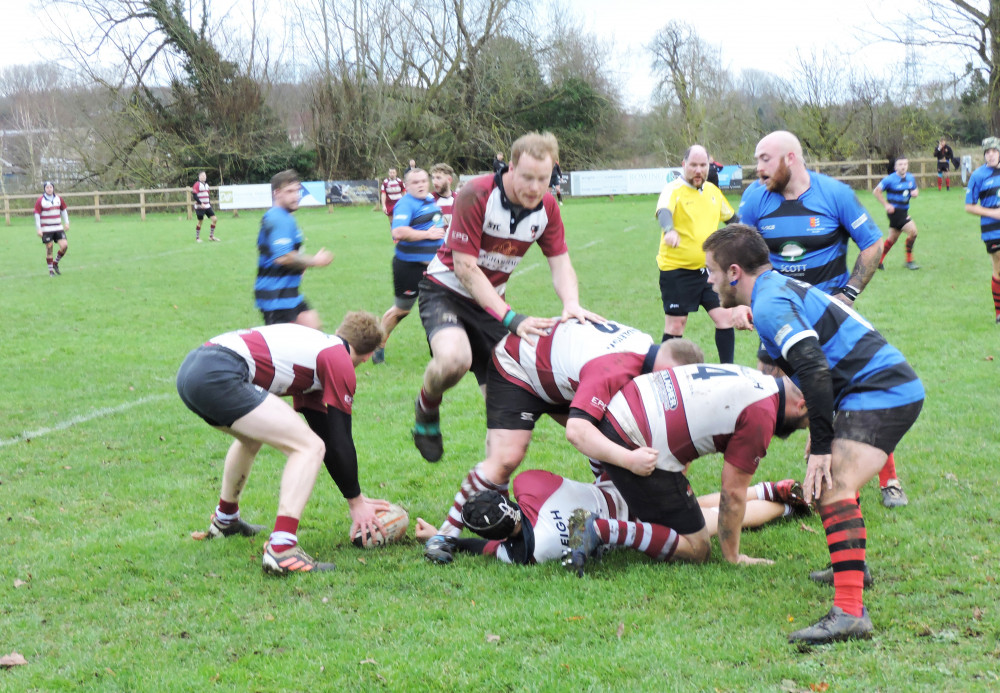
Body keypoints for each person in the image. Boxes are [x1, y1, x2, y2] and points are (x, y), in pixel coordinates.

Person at [703, 224, 924, 645]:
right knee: (825, 477)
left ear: (734, 272)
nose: (708, 279)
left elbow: (815, 368)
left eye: (710, 270)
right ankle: (854, 571)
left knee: (832, 485)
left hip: (884, 390)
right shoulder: (770, 292)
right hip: (866, 388)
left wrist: (824, 444)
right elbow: (801, 366)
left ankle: (849, 613)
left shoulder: (769, 303)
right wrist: (821, 431)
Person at [421, 319, 702, 563]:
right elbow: (578, 432)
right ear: (665, 371)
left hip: (556, 370)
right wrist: (630, 461)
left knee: (613, 431)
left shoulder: (645, 350)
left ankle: (610, 501)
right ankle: (445, 535)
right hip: (516, 367)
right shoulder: (613, 369)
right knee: (506, 459)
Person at [410, 131, 603, 463]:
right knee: (455, 360)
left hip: (490, 304)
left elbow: (560, 263)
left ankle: (489, 492)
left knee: (507, 410)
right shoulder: (477, 194)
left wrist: (571, 303)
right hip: (445, 291)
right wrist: (512, 318)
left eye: (543, 179)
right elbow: (465, 268)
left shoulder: (548, 207)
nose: (534, 187)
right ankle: (427, 405)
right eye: (527, 177)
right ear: (510, 167)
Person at [738, 131, 906, 509]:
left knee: (851, 398)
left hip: (829, 323)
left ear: (791, 158)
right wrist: (739, 301)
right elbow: (737, 250)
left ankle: (887, 479)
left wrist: (847, 295)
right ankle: (762, 481)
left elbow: (873, 244)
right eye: (757, 159)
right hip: (779, 319)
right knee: (769, 396)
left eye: (765, 159)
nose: (758, 168)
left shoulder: (835, 194)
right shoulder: (754, 198)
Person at [175, 313, 390, 575]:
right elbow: (339, 440)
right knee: (307, 447)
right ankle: (282, 548)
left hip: (192, 369)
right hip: (218, 372)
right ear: (367, 356)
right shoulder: (337, 357)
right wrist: (356, 502)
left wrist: (354, 496)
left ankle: (226, 520)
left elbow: (329, 437)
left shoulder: (317, 348)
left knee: (253, 438)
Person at [563, 364, 810, 575]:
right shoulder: (762, 414)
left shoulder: (757, 380)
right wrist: (733, 556)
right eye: (812, 420)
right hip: (633, 442)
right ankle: (598, 528)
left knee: (686, 514)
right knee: (697, 548)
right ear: (801, 406)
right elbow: (732, 494)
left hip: (624, 412)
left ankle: (771, 493)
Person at [414, 470, 808, 566]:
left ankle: (783, 501)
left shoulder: (529, 554)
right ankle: (778, 496)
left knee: (712, 519)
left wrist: (445, 538)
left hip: (635, 521)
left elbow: (485, 546)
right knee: (708, 515)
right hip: (630, 491)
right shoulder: (529, 485)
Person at [654, 144, 739, 363]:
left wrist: (751, 235)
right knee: (676, 325)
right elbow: (664, 212)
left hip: (709, 271)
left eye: (703, 165)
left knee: (724, 318)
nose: (699, 170)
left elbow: (732, 220)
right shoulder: (673, 189)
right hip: (677, 270)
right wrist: (669, 230)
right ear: (684, 165)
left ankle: (728, 372)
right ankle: (663, 374)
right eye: (693, 165)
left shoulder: (713, 191)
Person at [373, 168, 446, 365]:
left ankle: (440, 352)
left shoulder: (430, 200)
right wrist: (427, 235)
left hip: (435, 268)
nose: (421, 185)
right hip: (409, 267)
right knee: (401, 310)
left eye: (424, 180)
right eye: (416, 182)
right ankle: (377, 345)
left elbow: (438, 226)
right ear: (406, 186)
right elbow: (398, 232)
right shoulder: (405, 204)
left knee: (440, 307)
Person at [254, 170, 333, 330]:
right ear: (277, 193)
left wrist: (301, 265)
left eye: (297, 191)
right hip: (276, 297)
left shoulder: (285, 217)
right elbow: (283, 257)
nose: (296, 196)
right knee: (287, 349)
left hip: (289, 293)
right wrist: (314, 261)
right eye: (289, 191)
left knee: (314, 331)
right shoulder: (277, 218)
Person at [963, 136, 1000, 324]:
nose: (990, 155)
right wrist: (995, 214)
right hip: (992, 230)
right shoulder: (978, 176)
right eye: (987, 152)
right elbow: (969, 206)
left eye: (994, 151)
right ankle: (999, 313)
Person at [873, 158, 920, 270]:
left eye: (905, 164)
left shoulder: (910, 178)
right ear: (895, 167)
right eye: (900, 164)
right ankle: (909, 261)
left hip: (904, 211)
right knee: (913, 232)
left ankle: (877, 261)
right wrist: (886, 205)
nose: (903, 166)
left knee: (892, 239)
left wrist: (915, 193)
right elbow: (876, 191)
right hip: (894, 212)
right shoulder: (889, 179)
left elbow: (915, 190)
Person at [34, 181, 69, 277]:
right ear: (44, 189)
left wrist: (66, 222)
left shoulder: (58, 199)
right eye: (47, 187)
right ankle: (51, 272)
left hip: (58, 227)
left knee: (64, 246)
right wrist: (39, 229)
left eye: (51, 187)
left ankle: (55, 263)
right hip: (46, 228)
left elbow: (63, 210)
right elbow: (37, 214)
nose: (49, 189)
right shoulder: (40, 200)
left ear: (53, 188)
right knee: (49, 248)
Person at [191, 171, 219, 242]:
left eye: (205, 175)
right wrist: (200, 203)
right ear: (199, 177)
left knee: (214, 219)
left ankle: (211, 236)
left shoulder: (206, 185)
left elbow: (207, 195)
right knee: (200, 221)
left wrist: (209, 203)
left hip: (207, 206)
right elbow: (194, 195)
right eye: (202, 176)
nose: (204, 177)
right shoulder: (197, 184)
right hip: (200, 206)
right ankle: (197, 238)